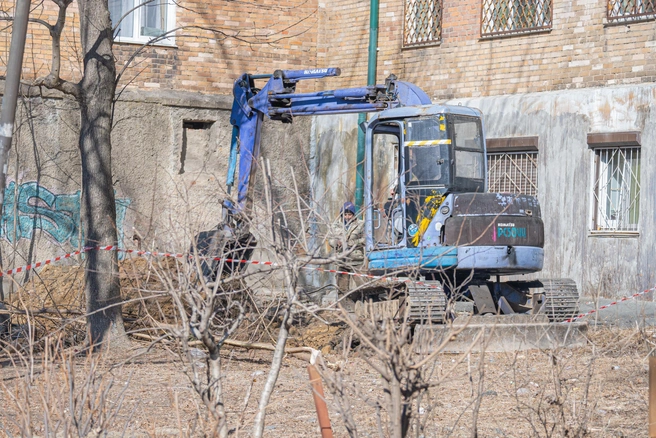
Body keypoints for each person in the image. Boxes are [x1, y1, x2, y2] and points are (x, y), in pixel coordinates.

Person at [328, 201, 364, 294]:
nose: (347, 217)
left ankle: (364, 303)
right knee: (342, 288)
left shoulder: (360, 224)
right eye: (345, 214)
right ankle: (345, 306)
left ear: (353, 214)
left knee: (363, 285)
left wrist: (352, 243)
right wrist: (337, 243)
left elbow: (366, 240)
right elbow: (330, 239)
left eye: (350, 214)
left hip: (356, 260)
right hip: (341, 260)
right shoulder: (336, 225)